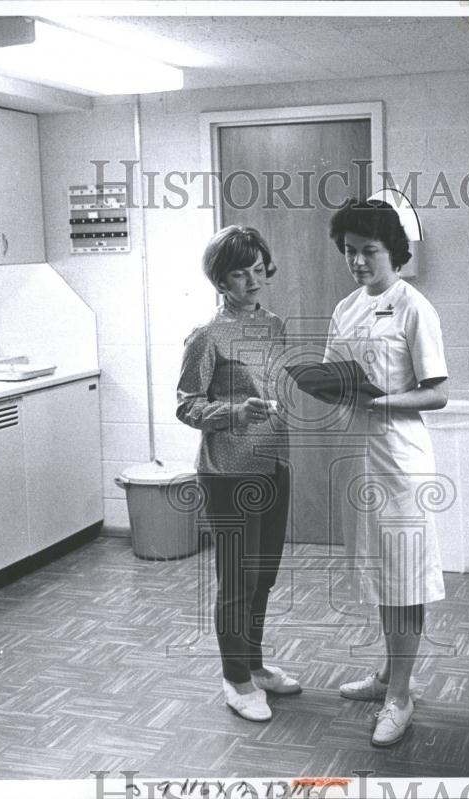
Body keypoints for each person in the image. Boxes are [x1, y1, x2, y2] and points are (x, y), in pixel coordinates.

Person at [324, 199, 449, 747]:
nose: (357, 262)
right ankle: (387, 675)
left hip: (400, 457)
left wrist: (383, 402)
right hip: (361, 455)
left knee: (405, 576)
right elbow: (333, 375)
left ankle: (401, 693)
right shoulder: (346, 308)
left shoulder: (414, 307)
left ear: (392, 251)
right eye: (349, 252)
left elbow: (438, 392)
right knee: (380, 572)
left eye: (368, 251)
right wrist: (328, 388)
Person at [176, 225, 299, 723]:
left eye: (257, 269)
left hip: (273, 464)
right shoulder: (206, 337)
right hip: (227, 473)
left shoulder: (273, 325)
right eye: (238, 274)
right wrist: (233, 413)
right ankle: (235, 678)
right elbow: (187, 406)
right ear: (220, 282)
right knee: (236, 581)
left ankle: (254, 663)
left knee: (263, 576)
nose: (252, 281)